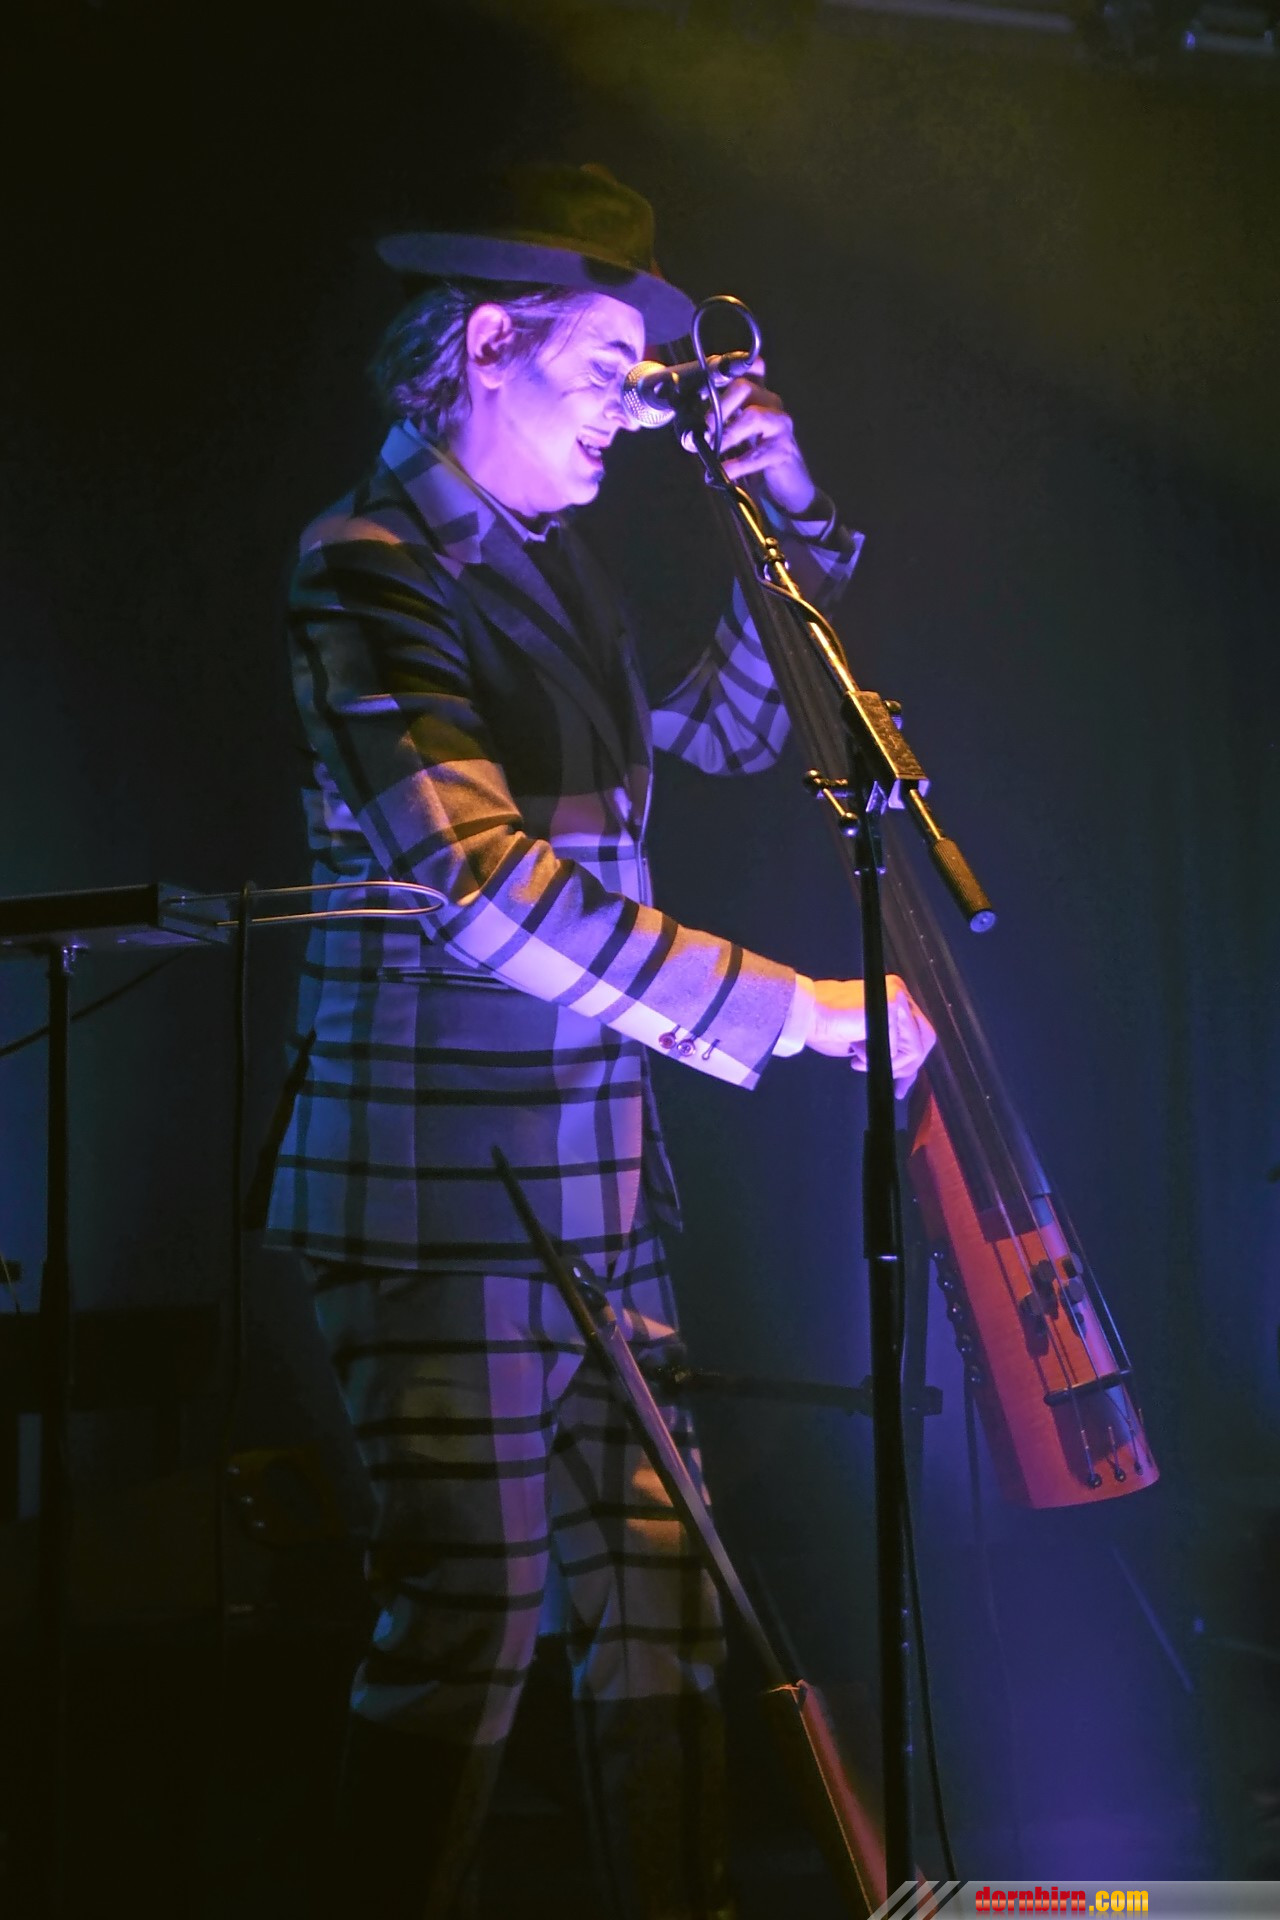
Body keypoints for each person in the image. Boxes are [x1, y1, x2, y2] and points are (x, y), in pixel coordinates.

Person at [264, 162, 934, 1919]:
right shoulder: (369, 567)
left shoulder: (558, 573)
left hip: (598, 1191)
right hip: (437, 1196)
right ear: (487, 343)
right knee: (474, 1613)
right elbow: (477, 883)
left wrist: (786, 518)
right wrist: (795, 1013)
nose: (630, 421)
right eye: (605, 374)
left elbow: (724, 734)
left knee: (658, 1607)